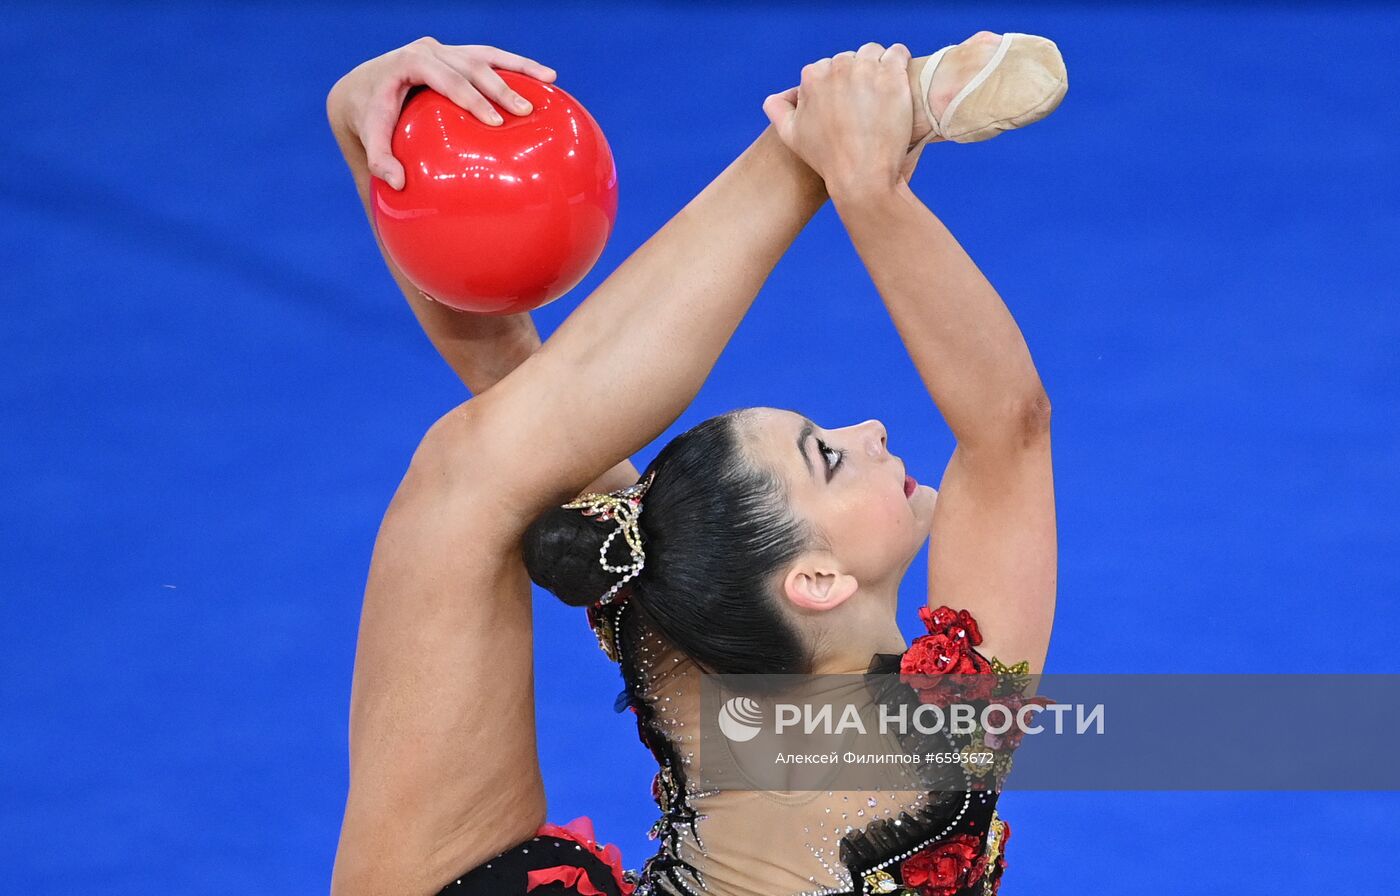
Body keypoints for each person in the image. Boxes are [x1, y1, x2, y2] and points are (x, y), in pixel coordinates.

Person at [326, 29, 1065, 896]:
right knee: (478, 467)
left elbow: (508, 436)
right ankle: (809, 140)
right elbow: (1008, 433)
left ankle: (801, 144)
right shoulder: (943, 742)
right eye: (829, 456)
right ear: (817, 580)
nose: (871, 429)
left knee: (470, 472)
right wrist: (869, 191)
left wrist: (383, 137)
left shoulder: (674, 626)